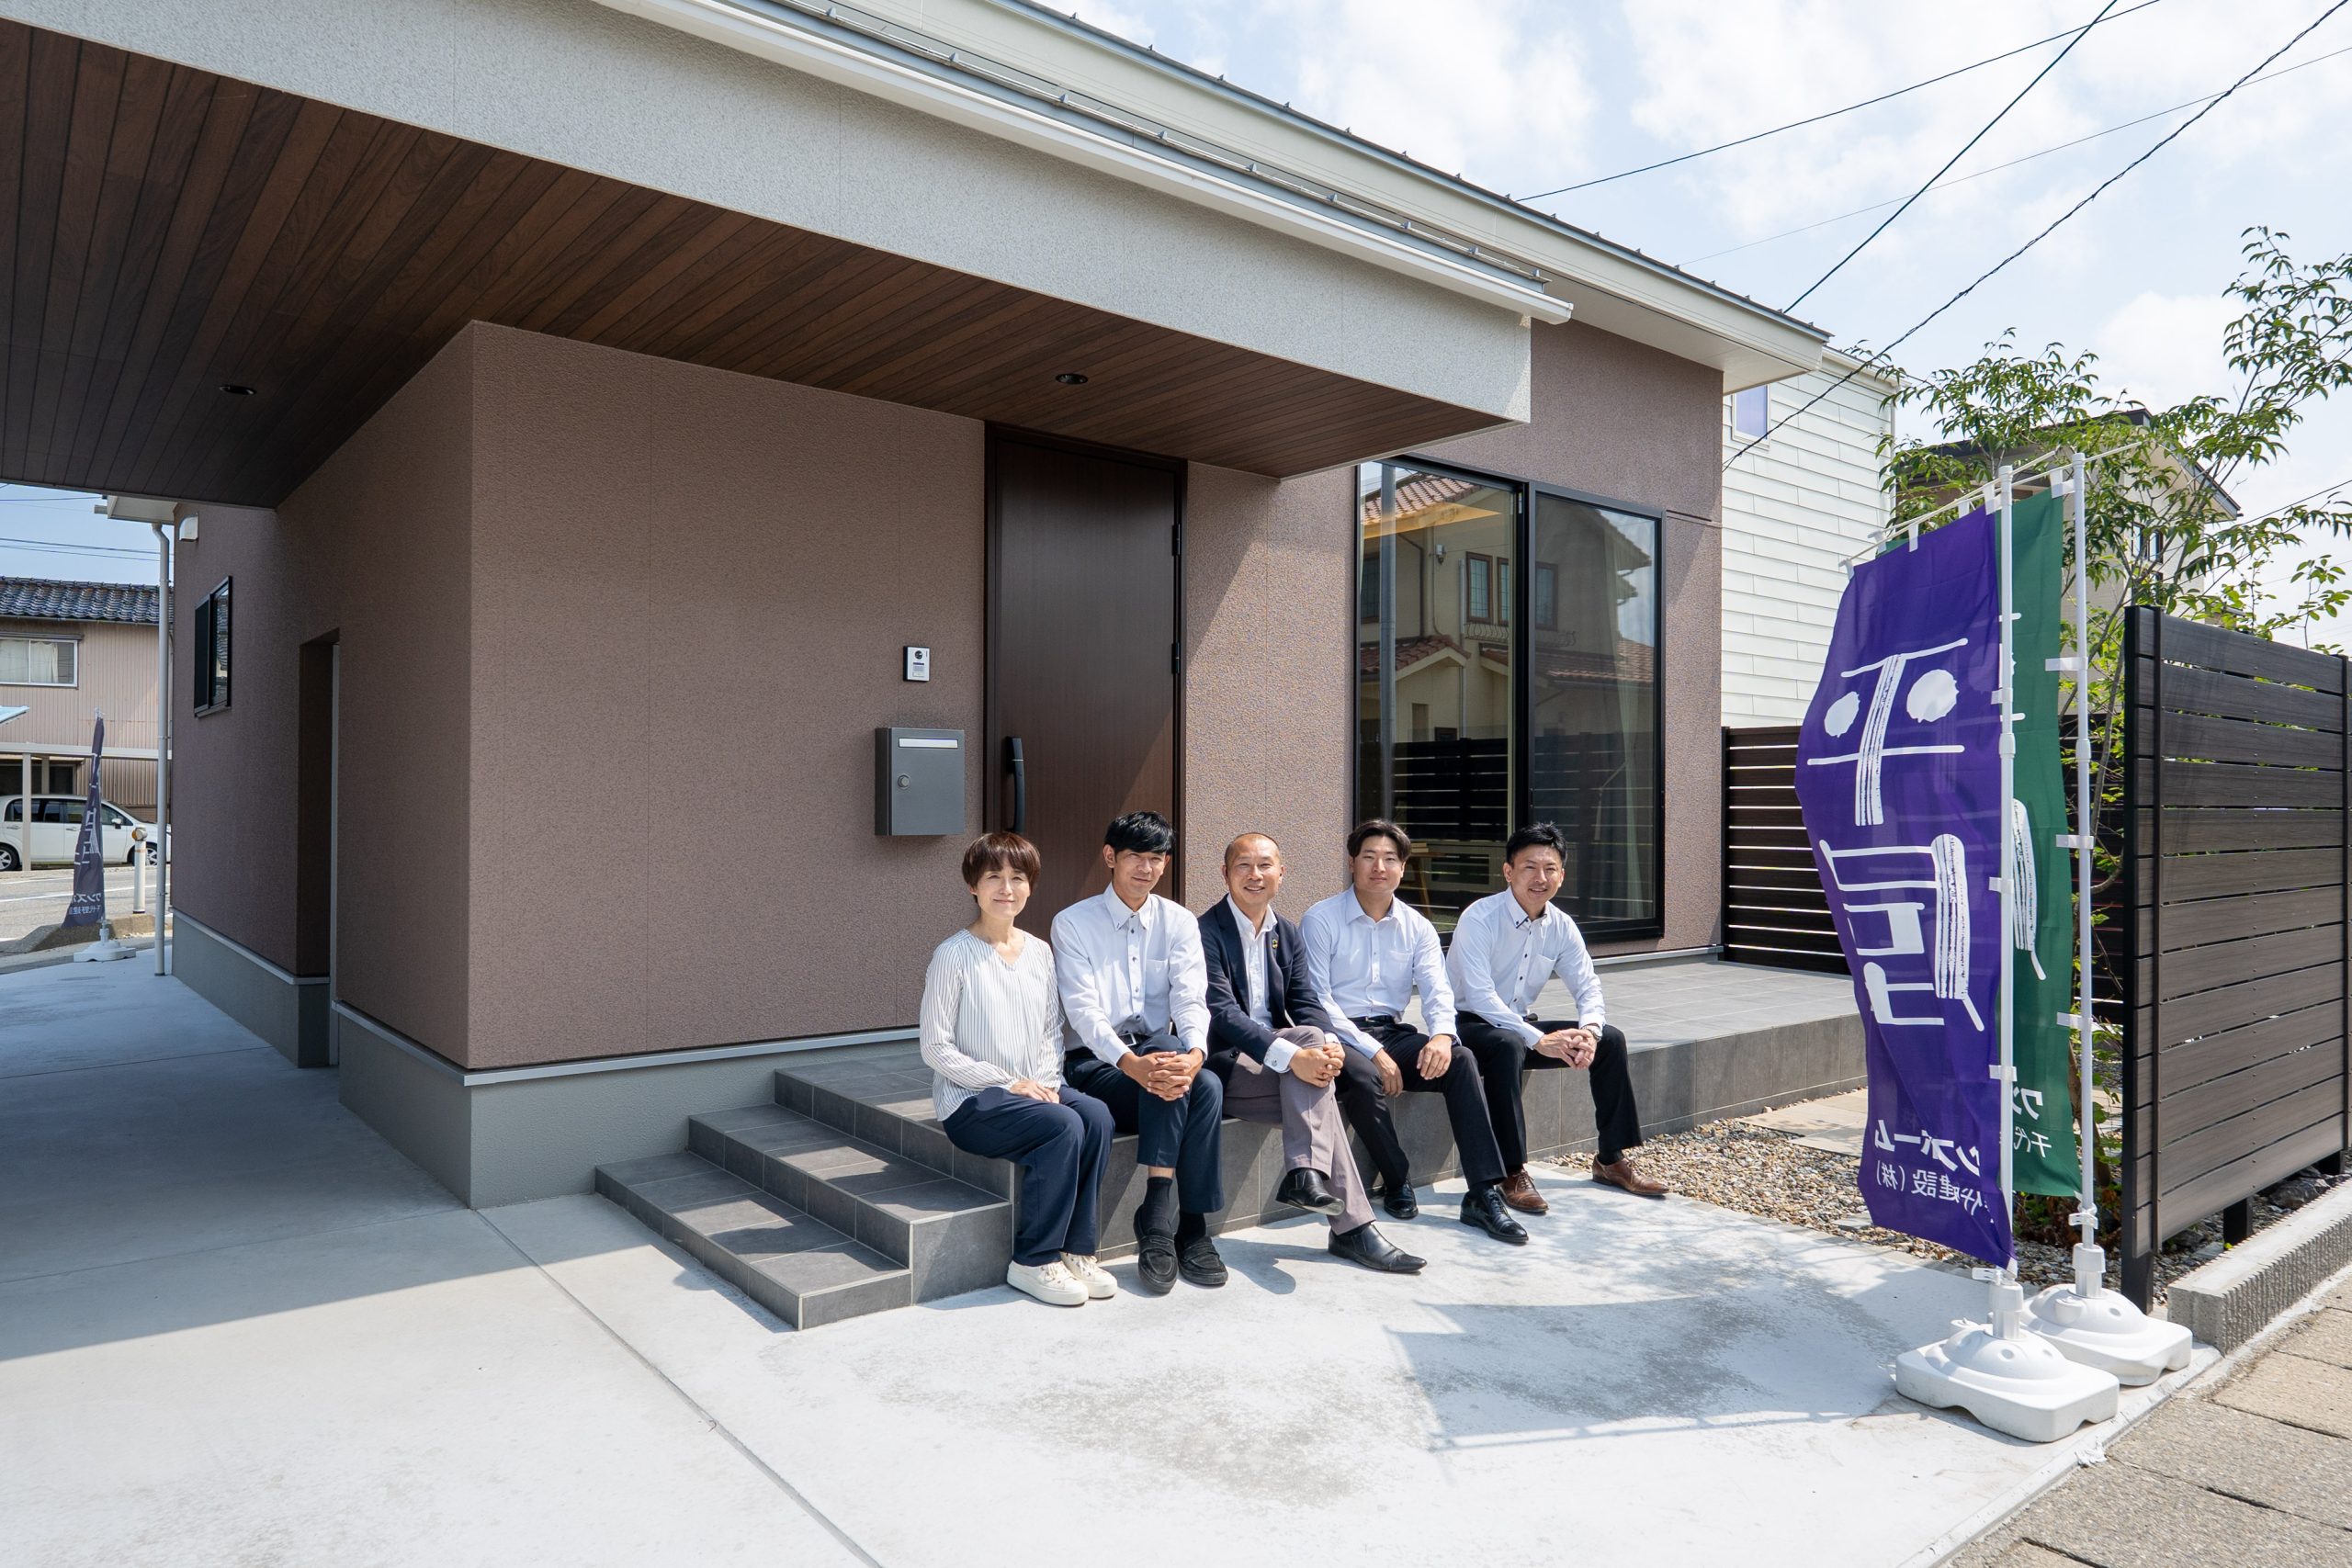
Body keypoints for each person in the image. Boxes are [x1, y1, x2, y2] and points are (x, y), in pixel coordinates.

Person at [1200, 832, 1425, 1275]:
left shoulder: (1286, 932)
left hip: (1278, 1066)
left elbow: (1305, 1000)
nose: (1255, 875)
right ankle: (1348, 1223)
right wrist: (1297, 1054)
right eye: (1244, 865)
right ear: (1225, 874)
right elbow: (1222, 1014)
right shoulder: (1204, 931)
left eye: (1265, 865)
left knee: (1314, 1063)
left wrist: (1329, 1044)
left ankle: (1316, 1187)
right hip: (1227, 1063)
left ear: (1281, 874)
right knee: (1311, 1065)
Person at [1300, 819, 1527, 1247]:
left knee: (1461, 1060)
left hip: (1392, 1031)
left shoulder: (1417, 926)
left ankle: (1483, 1193)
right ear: (1351, 863)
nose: (1379, 867)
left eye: (1390, 859)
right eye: (1369, 857)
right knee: (1363, 1076)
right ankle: (1397, 1177)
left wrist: (1442, 1036)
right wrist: (1373, 1051)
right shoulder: (1321, 919)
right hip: (1339, 1035)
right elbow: (1319, 1000)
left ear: (1403, 868)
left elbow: (1439, 990)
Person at [919, 832, 1118, 1309]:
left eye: (1018, 878)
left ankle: (1077, 1248)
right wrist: (1008, 1083)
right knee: (1063, 1124)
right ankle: (1033, 1258)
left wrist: (1046, 1083)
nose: (1006, 888)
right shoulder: (952, 955)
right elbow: (935, 1048)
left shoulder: (1040, 952)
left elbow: (1051, 1029)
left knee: (1096, 1116)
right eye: (994, 877)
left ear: (1031, 886)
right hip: (972, 1102)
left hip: (1034, 1088)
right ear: (973, 886)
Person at [1052, 811, 1227, 1295]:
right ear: (1110, 857)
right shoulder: (1073, 923)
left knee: (1203, 1078)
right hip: (1097, 1065)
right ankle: (1177, 1223)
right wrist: (1132, 1064)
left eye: (1156, 858)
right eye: (1135, 857)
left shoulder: (1178, 921)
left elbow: (1190, 997)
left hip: (1159, 1056)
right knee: (1198, 1083)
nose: (1146, 869)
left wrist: (1196, 1053)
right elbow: (1083, 1012)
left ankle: (1171, 1220)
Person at [1450, 823, 1668, 1208]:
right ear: (1508, 871)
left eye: (1550, 868)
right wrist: (1539, 1039)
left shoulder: (1561, 925)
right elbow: (1481, 997)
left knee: (1611, 1039)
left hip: (1519, 1025)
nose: (1541, 878)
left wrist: (1590, 1031)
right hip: (1470, 1024)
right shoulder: (1479, 918)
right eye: (1529, 867)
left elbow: (1587, 985)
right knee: (1507, 1044)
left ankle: (1611, 1159)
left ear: (1562, 875)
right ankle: (1512, 1171)